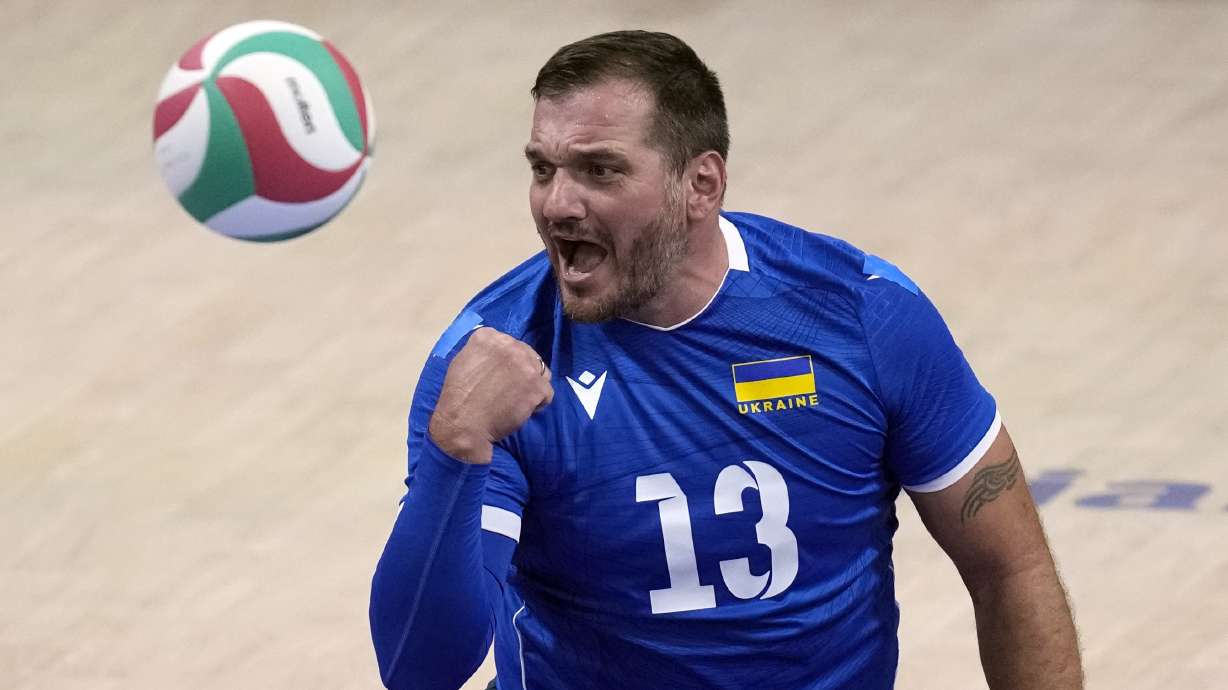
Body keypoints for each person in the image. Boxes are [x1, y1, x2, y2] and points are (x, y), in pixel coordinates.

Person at [369, 30, 1082, 690]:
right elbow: (418, 668)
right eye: (543, 168)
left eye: (599, 170)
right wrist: (454, 455)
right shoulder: (499, 364)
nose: (557, 203)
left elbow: (1009, 569)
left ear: (701, 186)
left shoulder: (860, 318)